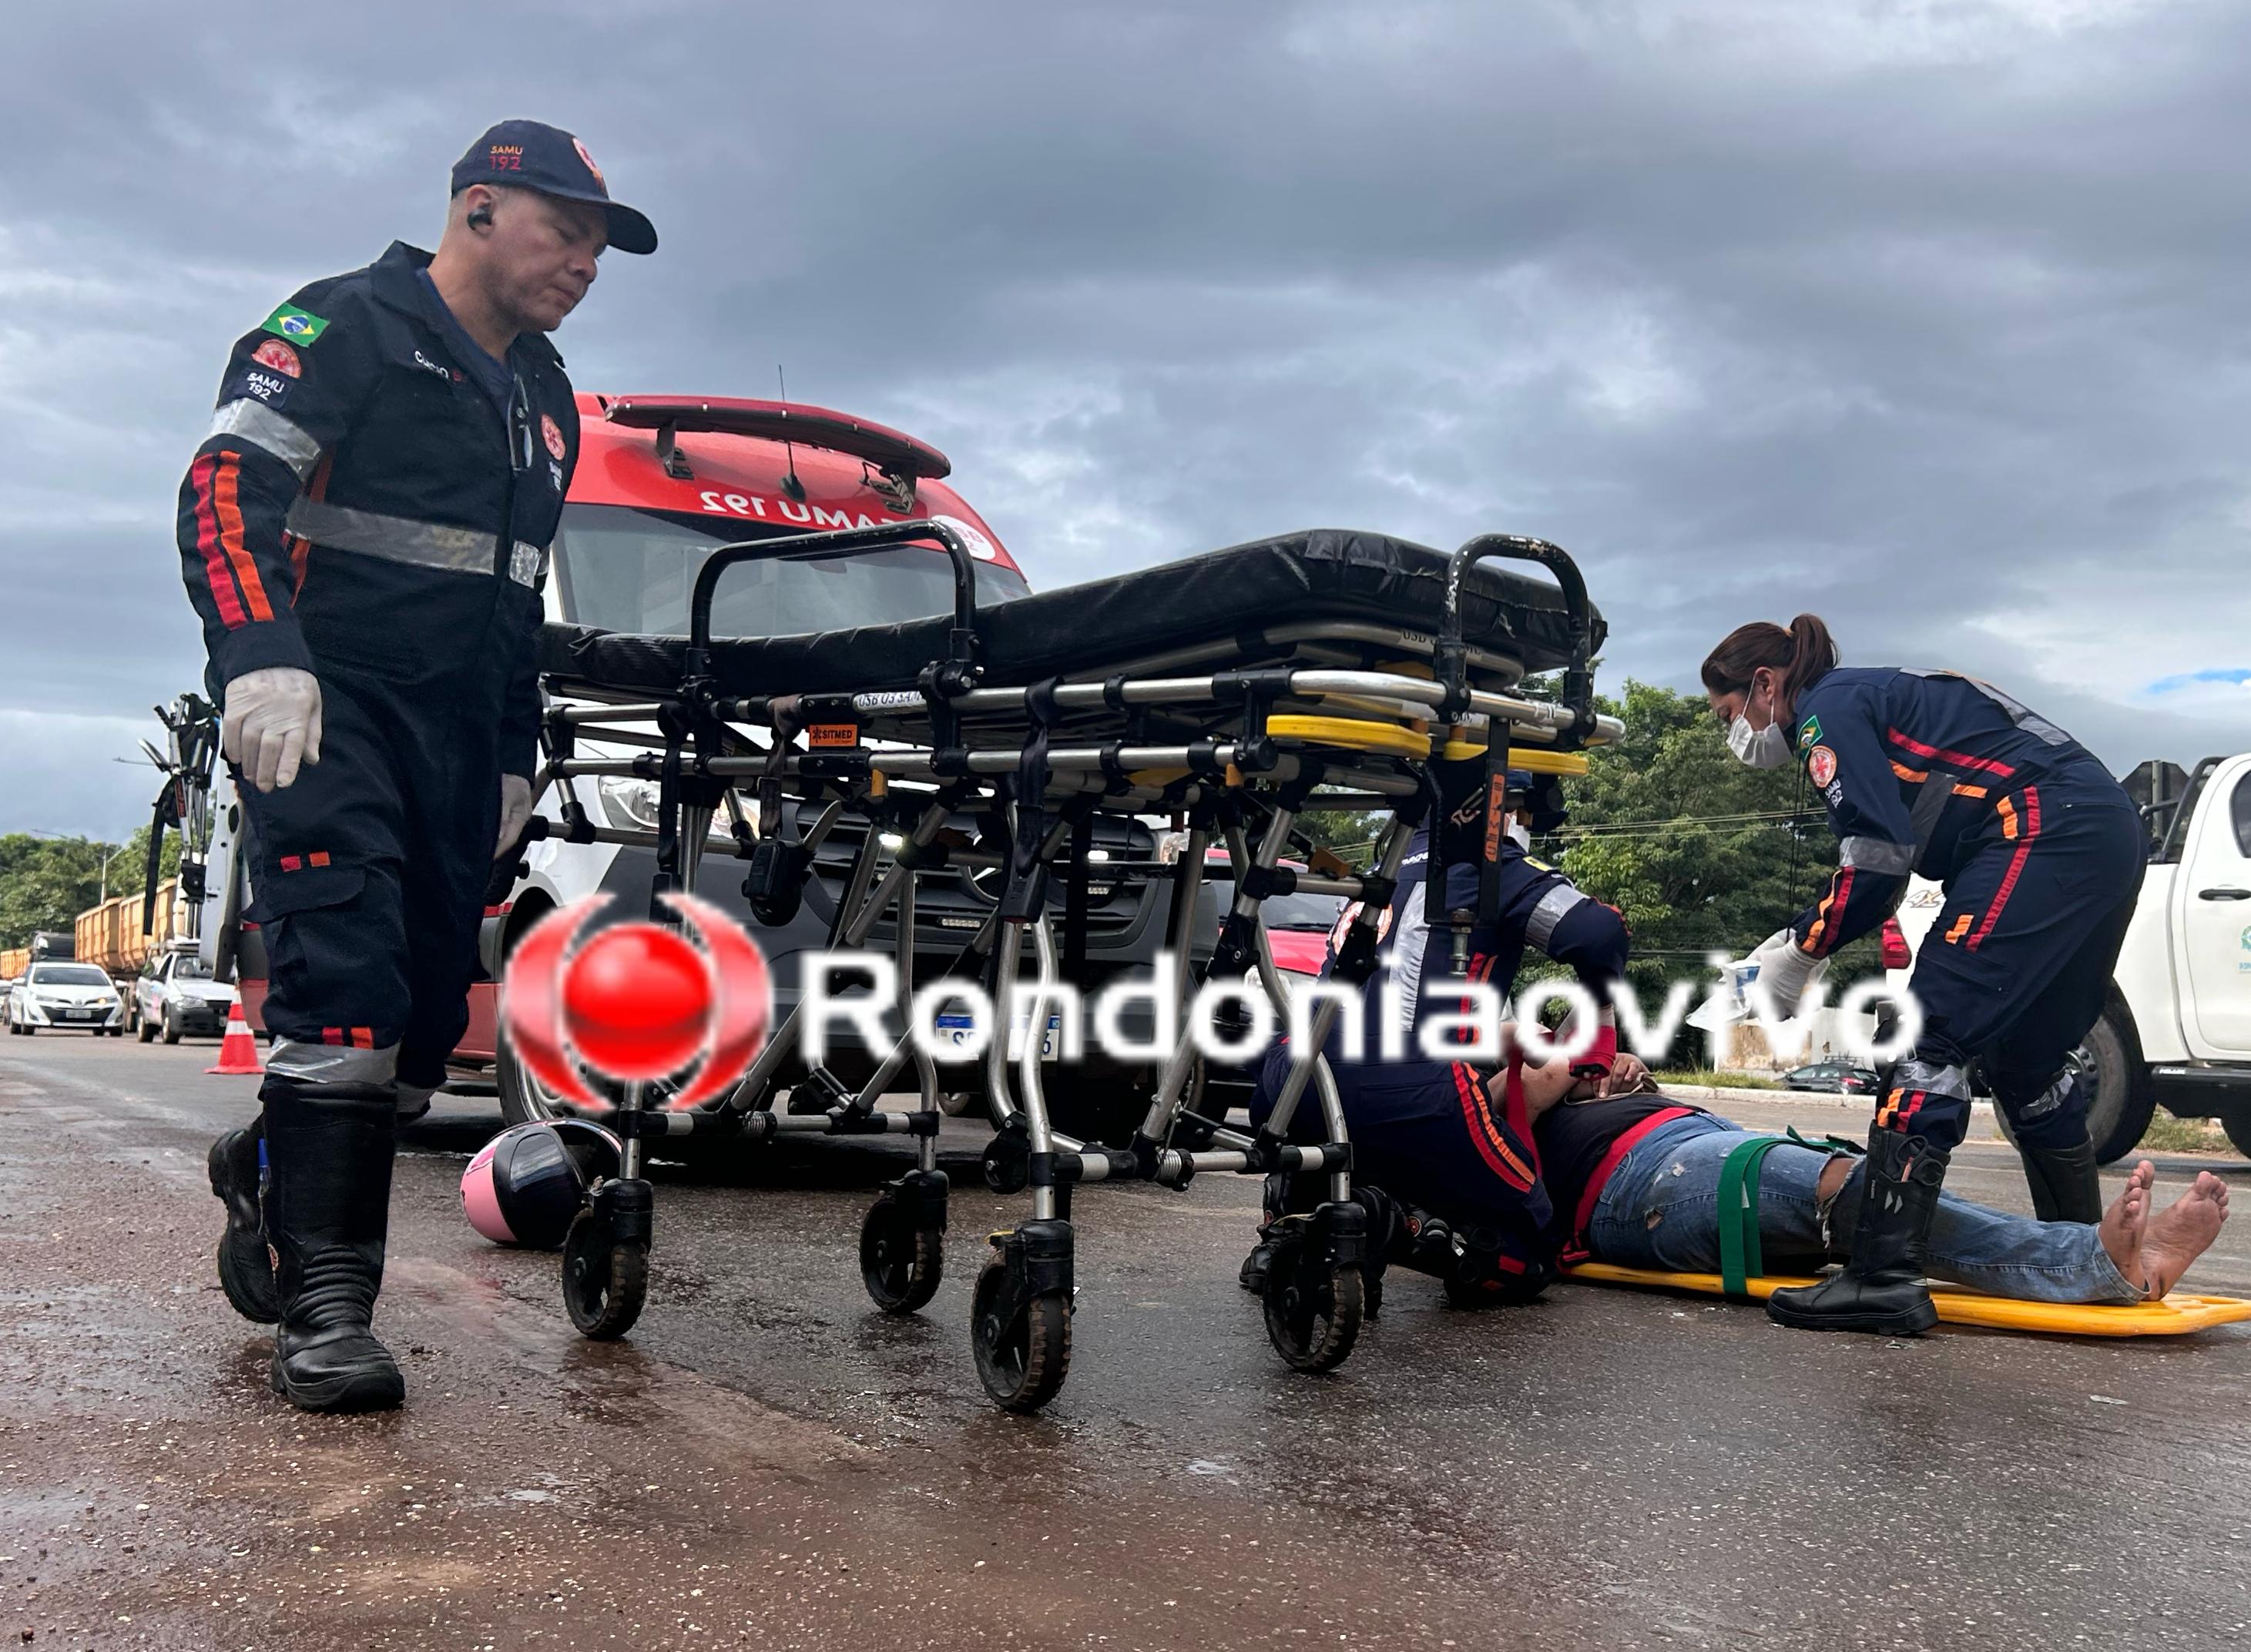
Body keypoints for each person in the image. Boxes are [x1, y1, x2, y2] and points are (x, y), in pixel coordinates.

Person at [181, 121, 656, 1412]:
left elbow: (511, 595)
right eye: (566, 232)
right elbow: (223, 492)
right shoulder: (342, 327)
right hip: (327, 712)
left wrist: (510, 755)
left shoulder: (545, 397)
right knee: (343, 992)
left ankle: (269, 1168)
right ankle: (329, 1312)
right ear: (478, 209)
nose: (585, 264)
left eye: (599, 247)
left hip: (456, 742)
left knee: (421, 1031)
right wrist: (260, 657)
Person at [1701, 616, 2146, 1335]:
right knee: (2027, 1063)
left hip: (2039, 825)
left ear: (1765, 683)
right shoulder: (1870, 694)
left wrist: (1801, 950)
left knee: (1924, 1037)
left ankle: (1882, 1276)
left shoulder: (1824, 711)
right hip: (2103, 826)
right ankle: (2084, 1261)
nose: (1737, 734)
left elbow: (1878, 862)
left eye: (1730, 715)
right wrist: (1802, 942)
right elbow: (1886, 856)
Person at [1239, 764, 1630, 1301]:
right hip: (1415, 1088)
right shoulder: (1493, 865)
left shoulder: (1381, 868)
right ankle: (1392, 1226)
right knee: (1534, 1249)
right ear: (1508, 809)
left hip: (1299, 1073)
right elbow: (1599, 933)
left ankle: (1290, 1230)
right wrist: (1602, 1017)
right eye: (1526, 817)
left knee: (1334, 1129)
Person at [1537, 1055, 2231, 1309]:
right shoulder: (1498, 1095)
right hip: (1642, 1180)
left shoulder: (1582, 1088)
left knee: (1875, 1188)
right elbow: (1517, 1087)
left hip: (1692, 1147)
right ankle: (2093, 1263)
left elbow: (1583, 1065)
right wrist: (1566, 1066)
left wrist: (1622, 1070)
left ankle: (2100, 1257)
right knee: (1867, 1186)